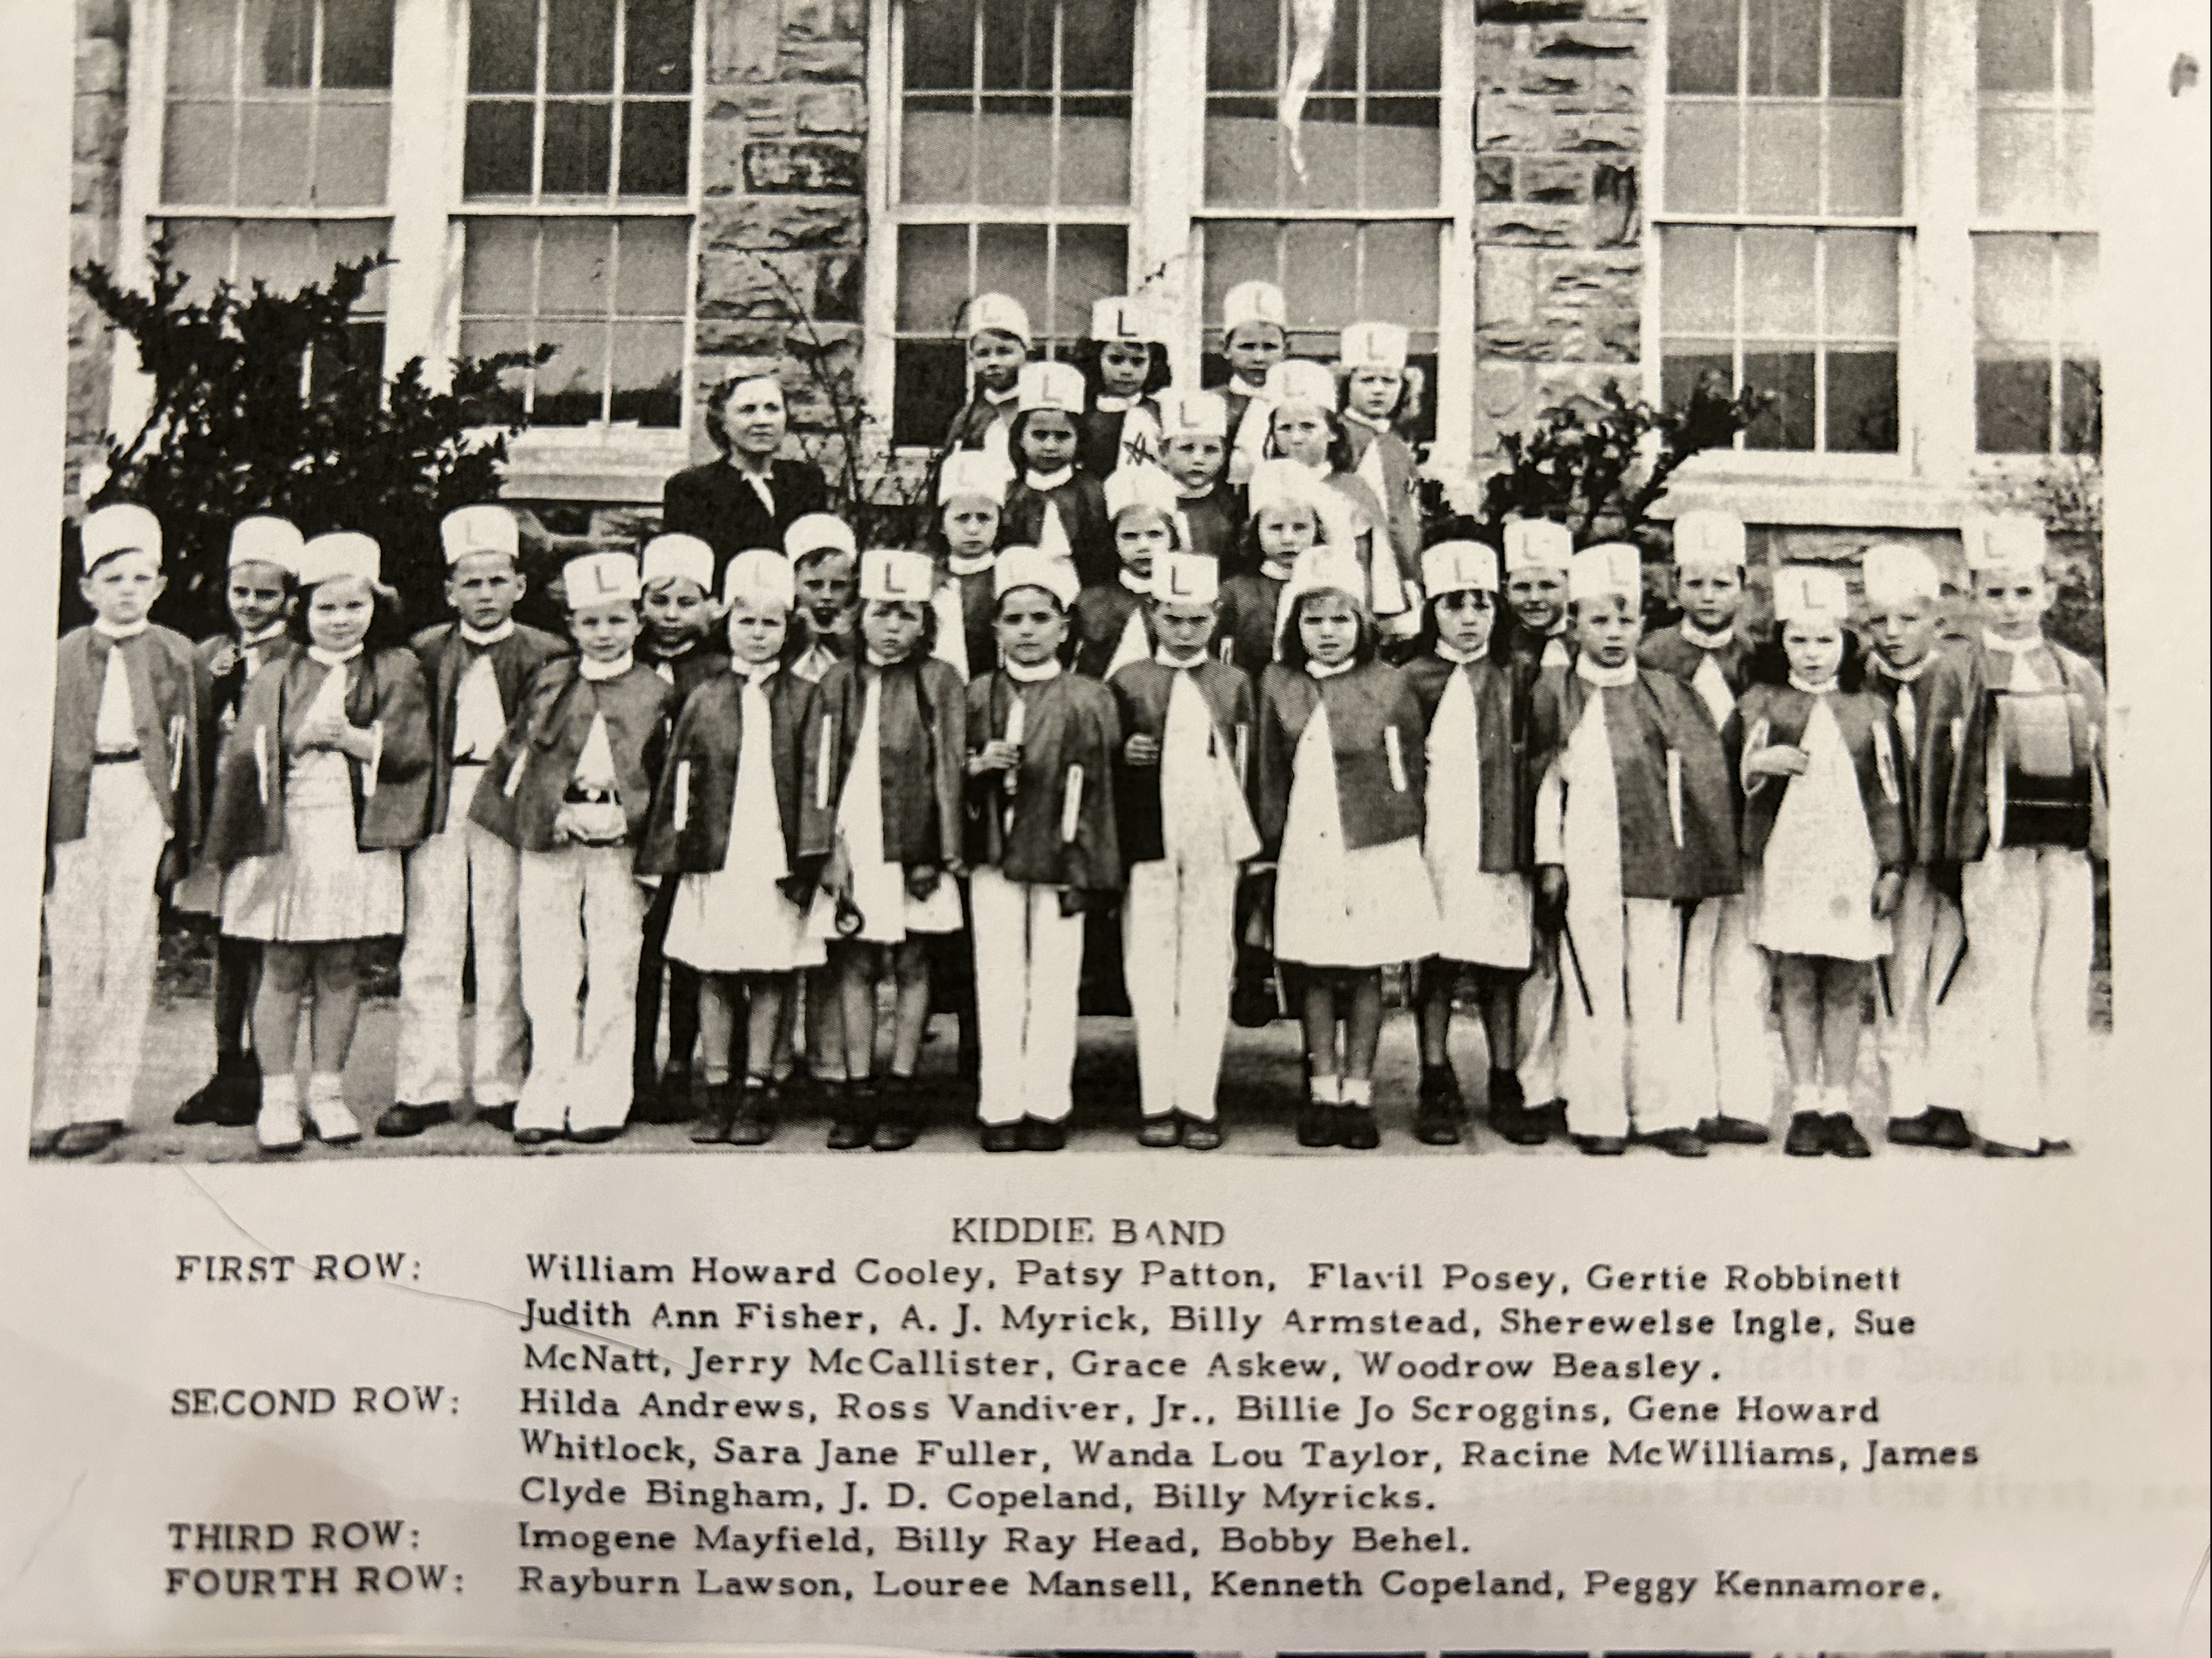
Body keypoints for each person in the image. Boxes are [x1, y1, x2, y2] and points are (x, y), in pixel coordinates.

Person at [207, 532, 431, 1156]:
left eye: (353, 607)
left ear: (375, 607)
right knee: (280, 966)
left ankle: (328, 1093)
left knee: (340, 966)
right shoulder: (278, 673)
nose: (340, 620)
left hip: (355, 836)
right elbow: (247, 761)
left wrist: (360, 741)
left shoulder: (397, 668)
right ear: (301, 610)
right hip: (289, 834)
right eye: (326, 608)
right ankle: (278, 1097)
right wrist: (297, 741)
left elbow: (414, 748)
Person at [1526, 543, 1740, 1158]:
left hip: (1658, 863)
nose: (1614, 633)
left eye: (1626, 620)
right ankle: (1598, 1112)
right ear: (1574, 624)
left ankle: (1662, 1112)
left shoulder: (1669, 693)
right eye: (1599, 620)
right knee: (1593, 985)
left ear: (1644, 625)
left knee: (1656, 987)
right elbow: (1547, 784)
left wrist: (1695, 864)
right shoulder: (1558, 694)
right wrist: (1550, 861)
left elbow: (1698, 784)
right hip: (1586, 863)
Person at [1916, 513, 2107, 1158]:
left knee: (2059, 976)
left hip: (2064, 851)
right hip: (1993, 847)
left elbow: (2102, 765)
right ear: (1973, 597)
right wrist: (1943, 849)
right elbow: (1937, 767)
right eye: (1995, 593)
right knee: (2003, 976)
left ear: (2048, 594)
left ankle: (2057, 1116)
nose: (2010, 607)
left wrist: (2102, 847)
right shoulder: (1955, 670)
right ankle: (2005, 1119)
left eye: (2024, 592)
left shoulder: (2075, 671)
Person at [470, 552, 674, 1146]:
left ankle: (602, 1092)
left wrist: (629, 823)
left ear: (638, 623)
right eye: (590, 623)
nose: (604, 634)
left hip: (619, 840)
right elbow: (517, 759)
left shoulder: (657, 693)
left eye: (616, 621)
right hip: (554, 834)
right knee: (549, 964)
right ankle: (546, 1087)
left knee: (615, 964)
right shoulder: (554, 680)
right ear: (572, 627)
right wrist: (545, 813)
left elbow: (667, 780)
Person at [383, 504, 565, 1140]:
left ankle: (501, 1082)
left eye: (497, 582)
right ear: (449, 590)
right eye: (470, 582)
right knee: (431, 941)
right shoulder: (427, 650)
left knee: (503, 940)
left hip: (510, 799)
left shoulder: (547, 653)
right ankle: (424, 1085)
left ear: (519, 586)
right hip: (442, 794)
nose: (484, 595)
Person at [1254, 543, 1441, 1151]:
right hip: (1307, 841)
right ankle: (1322, 1086)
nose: (1327, 633)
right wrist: (1269, 846)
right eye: (1313, 620)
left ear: (1363, 625)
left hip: (1371, 842)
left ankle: (1359, 1091)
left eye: (1340, 619)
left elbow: (1408, 766)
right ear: (1293, 626)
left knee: (1364, 967)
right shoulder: (1278, 683)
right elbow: (1267, 769)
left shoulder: (1389, 684)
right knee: (1312, 965)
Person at [639, 550, 827, 1148]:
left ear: (788, 630)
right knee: (715, 971)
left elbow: (818, 781)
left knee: (771, 974)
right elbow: (678, 779)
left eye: (771, 624)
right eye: (747, 622)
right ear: (728, 626)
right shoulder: (704, 695)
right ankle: (716, 1086)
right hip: (714, 853)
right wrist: (669, 856)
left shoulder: (806, 697)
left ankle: (758, 1085)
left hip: (774, 854)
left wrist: (811, 855)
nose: (758, 634)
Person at [35, 504, 200, 1159]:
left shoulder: (176, 655)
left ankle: (103, 1102)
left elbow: (191, 748)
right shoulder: (61, 655)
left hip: (141, 800)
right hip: (75, 801)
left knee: (130, 948)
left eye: (141, 578)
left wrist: (176, 831)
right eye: (113, 578)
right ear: (87, 589)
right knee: (73, 951)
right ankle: (59, 1100)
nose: (127, 589)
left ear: (159, 586)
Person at [1729, 566, 1910, 1159]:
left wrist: (1892, 866)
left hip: (1851, 862)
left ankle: (1841, 1104)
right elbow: (1725, 776)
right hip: (1789, 861)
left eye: (1825, 640)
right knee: (1797, 983)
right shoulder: (1761, 703)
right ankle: (1804, 1104)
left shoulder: (1870, 709)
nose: (1812, 654)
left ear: (1846, 644)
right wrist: (1755, 769)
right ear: (1780, 645)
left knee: (1845, 987)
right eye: (1799, 641)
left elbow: (1889, 793)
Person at [806, 548, 967, 1151]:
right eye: (881, 613)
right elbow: (819, 770)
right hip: (853, 839)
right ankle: (858, 1087)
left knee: (914, 963)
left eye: (906, 615)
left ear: (925, 622)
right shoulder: (837, 681)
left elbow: (949, 767)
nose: (893, 627)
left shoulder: (940, 680)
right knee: (856, 963)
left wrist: (935, 850)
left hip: (917, 842)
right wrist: (824, 847)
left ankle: (902, 1086)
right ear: (858, 617)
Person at [963, 546, 1123, 1150]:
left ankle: (1048, 1105)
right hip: (994, 853)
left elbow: (1102, 791)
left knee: (1055, 980)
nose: (1027, 631)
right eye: (1014, 619)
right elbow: (947, 775)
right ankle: (1000, 1105)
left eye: (1040, 619)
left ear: (1063, 627)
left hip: (1063, 857)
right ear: (996, 628)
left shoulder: (1089, 697)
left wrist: (1089, 867)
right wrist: (977, 766)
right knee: (999, 978)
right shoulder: (977, 694)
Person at [1110, 552, 1259, 1149]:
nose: (1184, 631)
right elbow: (1103, 754)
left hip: (1214, 841)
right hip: (1148, 839)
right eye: (1173, 619)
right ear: (1153, 615)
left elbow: (1250, 767)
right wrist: (1126, 755)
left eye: (1197, 620)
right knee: (1149, 964)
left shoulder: (1233, 684)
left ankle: (1199, 1099)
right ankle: (1156, 1099)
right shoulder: (1128, 681)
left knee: (1206, 963)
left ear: (1217, 617)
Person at [1640, 508, 1772, 1145]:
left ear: (1742, 589)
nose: (1709, 597)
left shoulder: (1761, 659)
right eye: (1695, 584)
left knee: (1741, 969)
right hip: (1679, 835)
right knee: (1680, 972)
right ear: (1674, 588)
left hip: (1745, 837)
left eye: (1722, 584)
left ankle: (1739, 1098)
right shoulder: (1654, 657)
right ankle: (1678, 1105)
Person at [171, 515, 302, 1133]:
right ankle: (226, 1066)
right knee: (228, 945)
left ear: (290, 600)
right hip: (220, 817)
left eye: (266, 595)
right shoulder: (209, 655)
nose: (250, 605)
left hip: (271, 818)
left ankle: (261, 1072)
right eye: (240, 592)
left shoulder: (298, 658)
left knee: (263, 946)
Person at [1403, 541, 1534, 1148]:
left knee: (1500, 965)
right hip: (1435, 838)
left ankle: (1506, 1078)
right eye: (1455, 605)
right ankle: (1435, 1075)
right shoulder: (1411, 680)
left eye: (1481, 604)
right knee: (1437, 962)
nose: (1469, 617)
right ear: (1433, 611)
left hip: (1500, 835)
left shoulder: (1518, 674)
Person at [1858, 541, 1972, 1150]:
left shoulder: (1960, 680)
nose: (1893, 633)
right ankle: (1905, 1098)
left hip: (1952, 853)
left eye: (1908, 619)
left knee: (1953, 972)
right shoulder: (1860, 686)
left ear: (1937, 620)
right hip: (1891, 860)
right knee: (1896, 973)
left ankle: (1949, 1095)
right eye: (1880, 620)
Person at [632, 532, 730, 1123]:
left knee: (690, 954)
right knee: (638, 953)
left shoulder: (719, 670)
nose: (671, 617)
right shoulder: (628, 661)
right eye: (659, 602)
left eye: (686, 603)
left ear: (712, 606)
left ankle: (681, 1066)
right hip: (638, 832)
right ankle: (636, 1065)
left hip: (699, 832)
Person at [1497, 516, 1577, 1139]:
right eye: (1522, 587)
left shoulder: (1584, 651)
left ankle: (1574, 1079)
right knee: (1529, 959)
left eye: (1548, 585)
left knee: (1573, 955)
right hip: (1511, 814)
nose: (1535, 600)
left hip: (1577, 817)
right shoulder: (1499, 653)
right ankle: (1530, 1081)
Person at [1265, 357, 1419, 646]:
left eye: (1308, 427)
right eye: (1285, 428)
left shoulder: (1351, 489)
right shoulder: (1266, 483)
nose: (1296, 438)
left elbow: (1376, 559)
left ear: (1332, 432)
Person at [661, 369, 830, 577]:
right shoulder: (692, 488)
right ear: (722, 422)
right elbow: (685, 571)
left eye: (772, 409)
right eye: (748, 410)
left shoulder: (806, 480)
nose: (762, 421)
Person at [1337, 321, 1425, 622]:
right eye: (1367, 380)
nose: (1378, 390)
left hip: (1398, 554)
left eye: (1388, 381)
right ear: (1346, 384)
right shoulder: (1340, 436)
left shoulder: (1395, 442)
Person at [1000, 361, 1115, 589]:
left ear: (1079, 439)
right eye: (1040, 436)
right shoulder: (1011, 493)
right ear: (1021, 439)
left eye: (1062, 436)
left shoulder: (1092, 490)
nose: (1050, 446)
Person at [1215, 458, 1329, 680]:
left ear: (1317, 530)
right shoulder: (1234, 592)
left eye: (1300, 528)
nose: (1288, 539)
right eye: (1276, 528)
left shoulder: (1328, 587)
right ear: (1255, 531)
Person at [1073, 463, 1184, 680]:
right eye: (1130, 536)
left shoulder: (1187, 600)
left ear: (1173, 538)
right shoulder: (1090, 601)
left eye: (1155, 535)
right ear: (1113, 542)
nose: (1143, 546)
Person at [931, 448, 1014, 684]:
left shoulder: (1008, 575)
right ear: (942, 524)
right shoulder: (931, 579)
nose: (973, 529)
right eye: (962, 518)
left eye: (984, 518)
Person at [1076, 296, 1170, 480]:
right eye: (1116, 360)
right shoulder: (1083, 413)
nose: (1127, 371)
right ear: (1095, 359)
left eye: (1138, 362)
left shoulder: (1160, 413)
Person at [939, 292, 1033, 469]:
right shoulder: (967, 418)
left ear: (1026, 352)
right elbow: (948, 472)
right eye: (983, 354)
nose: (993, 362)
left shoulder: (1036, 409)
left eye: (1005, 352)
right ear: (971, 358)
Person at [1157, 388, 1244, 567]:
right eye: (1187, 448)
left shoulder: (1230, 506)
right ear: (1163, 453)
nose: (1198, 459)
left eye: (1211, 450)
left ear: (1224, 456)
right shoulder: (1155, 502)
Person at [1217, 279, 1290, 486]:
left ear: (1287, 349)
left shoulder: (1293, 404)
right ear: (1225, 348)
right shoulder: (1215, 403)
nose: (1259, 358)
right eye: (1247, 347)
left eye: (1269, 347)